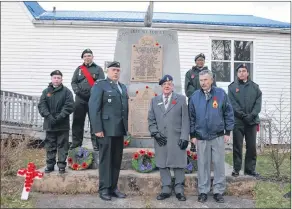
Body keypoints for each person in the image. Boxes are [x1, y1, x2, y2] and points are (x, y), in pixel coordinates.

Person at [189, 70, 234, 203]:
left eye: (205, 80)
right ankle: (203, 191)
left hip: (217, 136)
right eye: (201, 80)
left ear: (211, 80)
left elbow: (228, 113)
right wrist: (192, 134)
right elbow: (191, 117)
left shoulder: (220, 94)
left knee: (219, 164)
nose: (203, 83)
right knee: (203, 165)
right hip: (201, 137)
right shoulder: (194, 96)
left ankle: (218, 191)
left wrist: (228, 132)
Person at [88, 61, 128, 201]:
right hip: (105, 130)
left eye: (118, 69)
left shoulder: (122, 87)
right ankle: (104, 189)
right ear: (108, 71)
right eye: (113, 70)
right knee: (106, 160)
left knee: (116, 160)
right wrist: (97, 128)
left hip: (118, 130)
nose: (116, 72)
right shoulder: (100, 85)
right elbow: (94, 108)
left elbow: (124, 110)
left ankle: (113, 188)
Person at [148, 75, 190, 201]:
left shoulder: (181, 99)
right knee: (162, 163)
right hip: (161, 138)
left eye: (169, 84)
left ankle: (179, 189)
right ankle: (166, 188)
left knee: (178, 163)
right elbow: (151, 119)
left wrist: (184, 137)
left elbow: (185, 119)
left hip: (176, 137)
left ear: (172, 86)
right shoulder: (155, 100)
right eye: (164, 84)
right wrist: (155, 133)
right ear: (161, 87)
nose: (167, 86)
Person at [228, 63, 262, 177]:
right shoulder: (232, 87)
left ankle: (250, 169)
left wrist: (251, 115)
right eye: (239, 71)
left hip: (251, 122)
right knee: (237, 146)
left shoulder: (255, 87)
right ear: (237, 73)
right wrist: (242, 115)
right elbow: (232, 104)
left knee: (251, 146)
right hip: (238, 121)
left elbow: (258, 104)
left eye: (244, 71)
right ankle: (236, 169)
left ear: (247, 73)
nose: (241, 73)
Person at [38, 70, 74, 174]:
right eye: (54, 77)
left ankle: (62, 165)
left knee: (63, 145)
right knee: (50, 145)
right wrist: (49, 116)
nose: (56, 79)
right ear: (51, 79)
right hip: (49, 124)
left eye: (58, 78)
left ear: (61, 79)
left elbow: (69, 105)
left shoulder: (67, 92)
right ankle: (50, 165)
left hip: (62, 124)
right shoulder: (46, 92)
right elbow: (42, 105)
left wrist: (59, 117)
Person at [71, 48, 105, 151]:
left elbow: (101, 83)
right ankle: (76, 144)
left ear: (92, 57)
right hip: (80, 99)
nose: (87, 57)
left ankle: (96, 144)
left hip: (93, 99)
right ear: (83, 58)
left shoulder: (98, 69)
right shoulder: (79, 69)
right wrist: (78, 92)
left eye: (89, 55)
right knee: (77, 122)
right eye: (85, 56)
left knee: (94, 122)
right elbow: (73, 82)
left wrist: (94, 95)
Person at [184, 53, 217, 152]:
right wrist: (197, 96)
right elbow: (188, 88)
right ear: (195, 61)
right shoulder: (190, 73)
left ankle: (207, 142)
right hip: (194, 101)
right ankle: (193, 144)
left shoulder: (210, 73)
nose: (200, 62)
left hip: (207, 101)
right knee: (193, 121)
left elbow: (214, 87)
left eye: (202, 60)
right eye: (198, 60)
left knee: (206, 120)